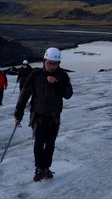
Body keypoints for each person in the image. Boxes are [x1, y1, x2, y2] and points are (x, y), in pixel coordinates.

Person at [14, 47, 73, 182]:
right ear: (44, 61)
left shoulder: (62, 76)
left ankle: (46, 167)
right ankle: (39, 168)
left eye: (54, 63)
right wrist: (18, 114)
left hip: (54, 117)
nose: (51, 66)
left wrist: (56, 83)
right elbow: (24, 95)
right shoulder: (35, 75)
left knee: (50, 143)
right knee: (39, 142)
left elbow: (68, 94)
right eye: (49, 63)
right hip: (38, 116)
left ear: (59, 63)